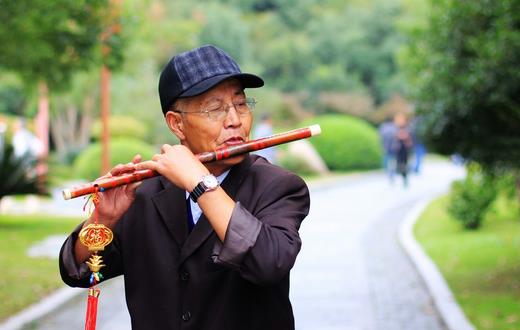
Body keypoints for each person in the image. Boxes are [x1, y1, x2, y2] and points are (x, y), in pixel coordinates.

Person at [59, 45, 310, 330]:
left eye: (241, 104)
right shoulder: (144, 193)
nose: (235, 121)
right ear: (176, 124)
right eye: (216, 108)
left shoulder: (278, 186)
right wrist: (103, 219)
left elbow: (269, 262)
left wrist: (200, 183)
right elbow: (78, 272)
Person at [378, 116, 397, 183]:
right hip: (393, 147)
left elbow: (380, 137)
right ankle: (392, 172)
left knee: (386, 159)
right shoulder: (394, 127)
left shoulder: (383, 127)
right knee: (392, 160)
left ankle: (387, 170)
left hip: (385, 147)